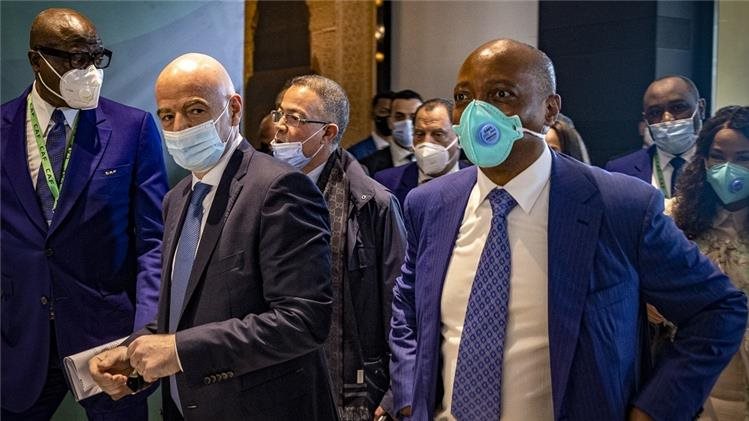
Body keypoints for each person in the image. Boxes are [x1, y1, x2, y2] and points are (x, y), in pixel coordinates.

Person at [388, 38, 747, 421]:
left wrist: (654, 409)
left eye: (501, 94)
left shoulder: (619, 206)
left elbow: (717, 308)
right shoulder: (430, 205)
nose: (477, 111)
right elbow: (408, 305)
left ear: (550, 109)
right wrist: (408, 394)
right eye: (463, 97)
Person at [89, 54, 337, 421]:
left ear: (233, 109)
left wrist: (179, 351)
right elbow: (183, 312)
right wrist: (133, 354)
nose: (179, 128)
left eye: (195, 111)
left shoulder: (279, 188)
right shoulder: (177, 199)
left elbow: (302, 320)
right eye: (167, 116)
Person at [0, 8, 167, 420]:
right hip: (19, 337)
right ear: (37, 60)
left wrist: (144, 332)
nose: (89, 70)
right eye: (76, 57)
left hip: (109, 341)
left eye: (96, 57)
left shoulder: (132, 129)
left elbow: (153, 242)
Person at [270, 75, 406, 420]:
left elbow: (400, 304)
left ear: (328, 133)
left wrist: (396, 391)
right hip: (276, 377)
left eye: (294, 118)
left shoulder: (372, 203)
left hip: (351, 383)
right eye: (279, 114)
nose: (280, 126)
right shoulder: (263, 191)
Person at [670, 106, 749, 420]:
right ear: (703, 160)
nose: (729, 169)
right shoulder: (674, 219)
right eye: (718, 157)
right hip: (695, 385)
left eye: (743, 158)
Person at [606, 75, 706, 199]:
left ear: (701, 109)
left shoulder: (721, 166)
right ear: (646, 119)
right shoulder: (620, 171)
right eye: (655, 113)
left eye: (677, 108)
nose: (666, 119)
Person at [374, 98, 469, 206]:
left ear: (459, 138)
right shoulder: (386, 182)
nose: (426, 142)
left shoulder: (477, 180)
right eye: (419, 134)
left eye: (438, 134)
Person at [360, 90, 422, 175]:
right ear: (389, 121)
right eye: (399, 117)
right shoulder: (368, 166)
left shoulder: (435, 160)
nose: (407, 123)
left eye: (413, 117)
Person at [348, 91, 393, 160]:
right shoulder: (356, 153)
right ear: (372, 113)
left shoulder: (407, 150)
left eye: (393, 113)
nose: (389, 117)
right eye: (383, 112)